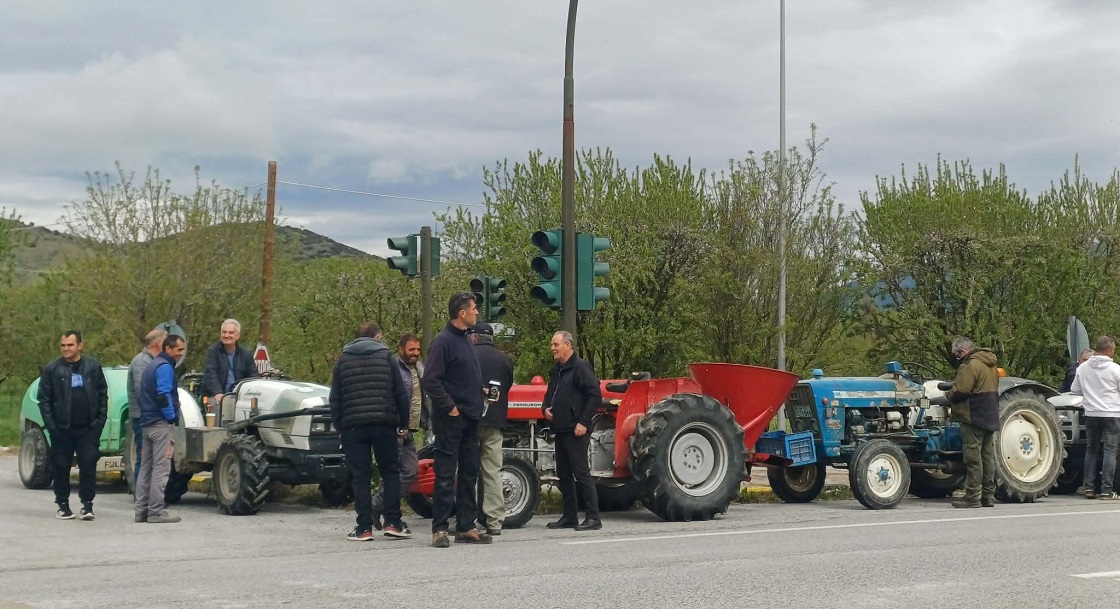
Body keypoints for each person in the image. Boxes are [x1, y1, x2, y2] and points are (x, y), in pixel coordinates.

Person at [329, 322, 413, 541]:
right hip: (384, 424)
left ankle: (364, 528)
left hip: (353, 427)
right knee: (390, 472)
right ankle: (393, 523)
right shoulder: (387, 358)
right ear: (377, 337)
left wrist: (339, 426)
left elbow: (335, 398)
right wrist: (403, 424)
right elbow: (401, 394)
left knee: (360, 477)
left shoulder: (343, 361)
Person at [423, 292, 491, 548]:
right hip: (451, 419)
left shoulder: (467, 340)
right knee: (445, 472)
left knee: (470, 472)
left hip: (471, 417)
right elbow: (431, 380)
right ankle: (439, 528)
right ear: (461, 313)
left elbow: (462, 376)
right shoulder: (443, 341)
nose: (476, 313)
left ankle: (466, 525)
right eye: (473, 309)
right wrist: (450, 407)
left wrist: (479, 390)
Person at [38, 330, 109, 520]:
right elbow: (44, 400)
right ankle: (62, 504)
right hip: (62, 429)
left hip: (88, 428)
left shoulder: (92, 367)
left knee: (88, 463)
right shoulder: (52, 370)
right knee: (61, 466)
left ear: (80, 345)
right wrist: (52, 427)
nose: (66, 349)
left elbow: (102, 394)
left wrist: (99, 423)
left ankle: (87, 505)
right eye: (63, 345)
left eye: (70, 345)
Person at [542, 330, 603, 530]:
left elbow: (595, 395)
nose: (553, 348)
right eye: (552, 345)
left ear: (568, 345)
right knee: (564, 473)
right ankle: (569, 516)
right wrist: (546, 409)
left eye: (556, 344)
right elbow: (551, 393)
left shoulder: (580, 367)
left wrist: (583, 422)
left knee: (581, 472)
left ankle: (594, 518)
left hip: (576, 429)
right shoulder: (558, 369)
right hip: (560, 428)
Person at [370, 332, 430, 533]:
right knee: (392, 473)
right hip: (395, 428)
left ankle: (378, 506)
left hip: (410, 429)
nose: (415, 353)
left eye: (418, 349)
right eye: (411, 349)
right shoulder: (393, 367)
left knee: (410, 471)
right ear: (401, 349)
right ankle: (389, 514)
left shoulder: (420, 368)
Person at [135, 334, 188, 524]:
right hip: (160, 424)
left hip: (147, 423)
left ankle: (141, 510)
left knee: (145, 468)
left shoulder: (151, 365)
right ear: (168, 349)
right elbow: (163, 394)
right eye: (179, 350)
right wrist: (171, 416)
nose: (181, 354)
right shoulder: (165, 368)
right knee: (161, 469)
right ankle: (156, 511)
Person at [944, 337, 1000, 509]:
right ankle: (988, 496)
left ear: (962, 351)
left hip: (973, 415)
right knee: (988, 457)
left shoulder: (970, 365)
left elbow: (962, 389)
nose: (957, 358)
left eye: (957, 355)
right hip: (990, 414)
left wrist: (948, 395)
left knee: (973, 458)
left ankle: (972, 496)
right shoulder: (990, 364)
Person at [472, 322, 514, 536]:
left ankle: (468, 519)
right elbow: (507, 385)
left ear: (475, 337)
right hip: (495, 422)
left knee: (467, 472)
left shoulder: (468, 355)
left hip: (471, 421)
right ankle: (495, 521)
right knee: (492, 472)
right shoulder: (504, 359)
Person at [1070, 336, 1120, 500]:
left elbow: (1075, 389)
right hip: (1112, 414)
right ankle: (1106, 490)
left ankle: (1089, 488)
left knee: (1091, 450)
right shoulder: (1115, 369)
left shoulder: (1083, 368)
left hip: (1091, 414)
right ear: (1109, 350)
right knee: (1110, 452)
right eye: (1113, 350)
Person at [126, 328, 167, 488]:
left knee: (149, 459)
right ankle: (141, 496)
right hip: (143, 418)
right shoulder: (141, 362)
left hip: (149, 417)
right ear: (159, 343)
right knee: (144, 459)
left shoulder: (152, 361)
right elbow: (143, 391)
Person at [202, 319, 258, 421]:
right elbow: (210, 373)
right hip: (216, 395)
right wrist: (218, 392)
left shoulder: (246, 354)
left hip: (239, 396)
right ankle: (218, 435)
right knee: (219, 407)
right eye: (224, 332)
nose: (227, 335)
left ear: (238, 336)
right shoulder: (213, 351)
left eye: (231, 333)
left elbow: (253, 377)